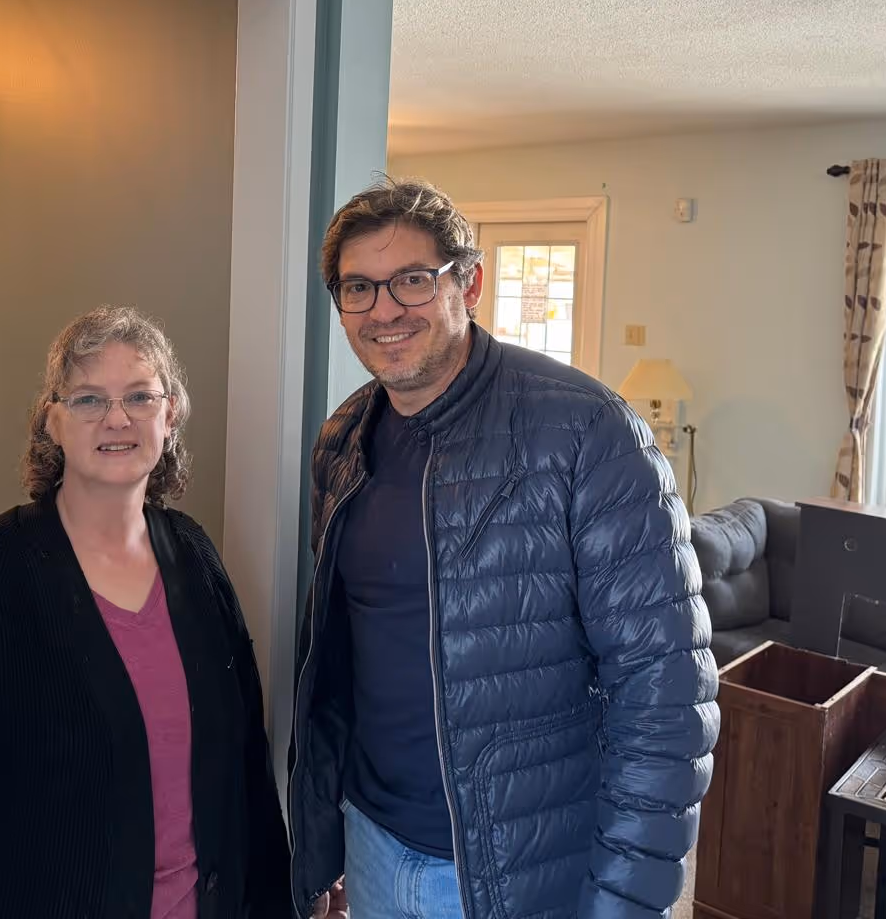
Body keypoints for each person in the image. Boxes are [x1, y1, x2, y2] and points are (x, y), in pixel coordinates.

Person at [289, 177, 719, 919]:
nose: (384, 309)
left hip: (520, 871)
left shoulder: (588, 432)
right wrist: (324, 841)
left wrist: (623, 901)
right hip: (374, 845)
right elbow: (339, 661)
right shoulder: (344, 438)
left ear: (471, 282)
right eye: (358, 287)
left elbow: (667, 695)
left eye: (412, 281)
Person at [0, 306, 291, 919]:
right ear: (50, 421)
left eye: (139, 395)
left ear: (170, 414)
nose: (116, 418)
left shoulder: (194, 557)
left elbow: (244, 762)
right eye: (87, 400)